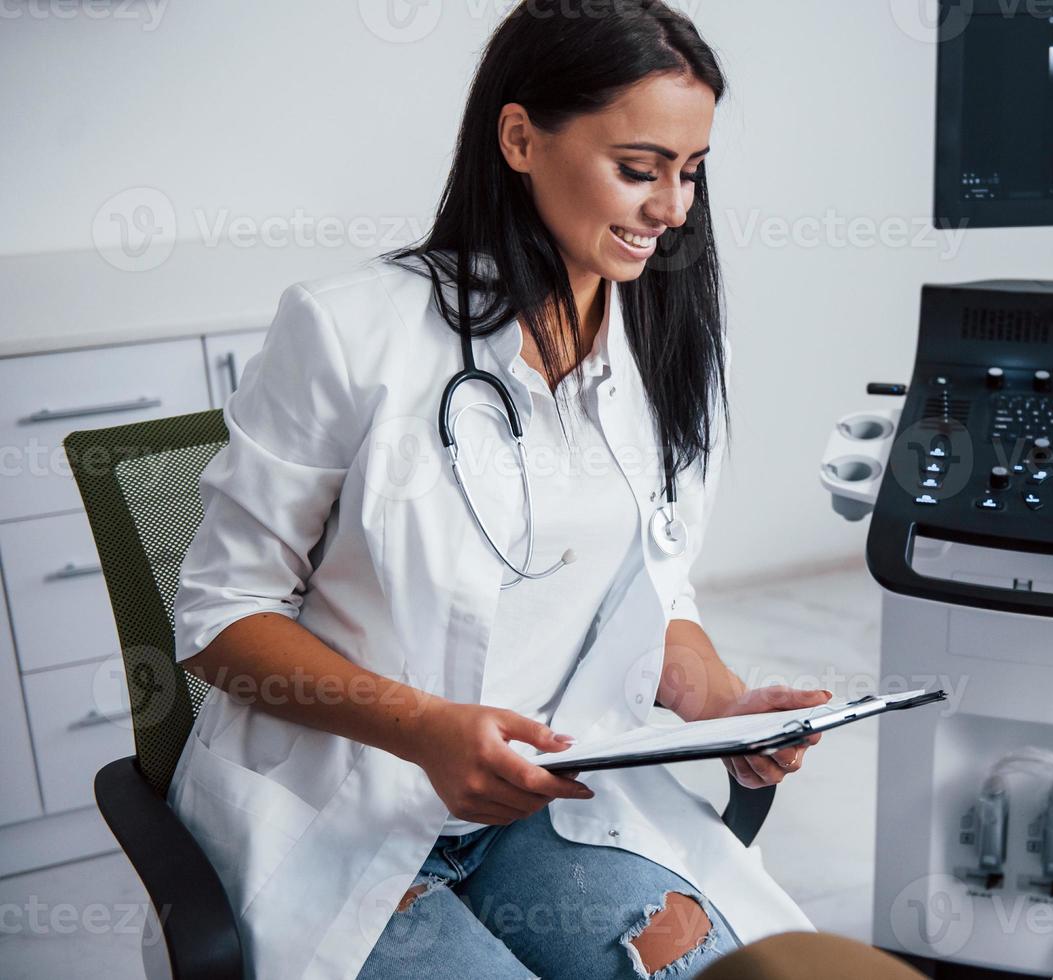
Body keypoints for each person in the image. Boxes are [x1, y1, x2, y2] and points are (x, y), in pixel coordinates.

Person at [170, 3, 821, 978]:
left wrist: (726, 703)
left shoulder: (665, 350)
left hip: (547, 807)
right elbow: (220, 615)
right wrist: (428, 730)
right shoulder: (350, 333)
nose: (675, 208)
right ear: (520, 137)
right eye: (639, 168)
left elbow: (654, 587)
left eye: (691, 172)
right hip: (343, 807)